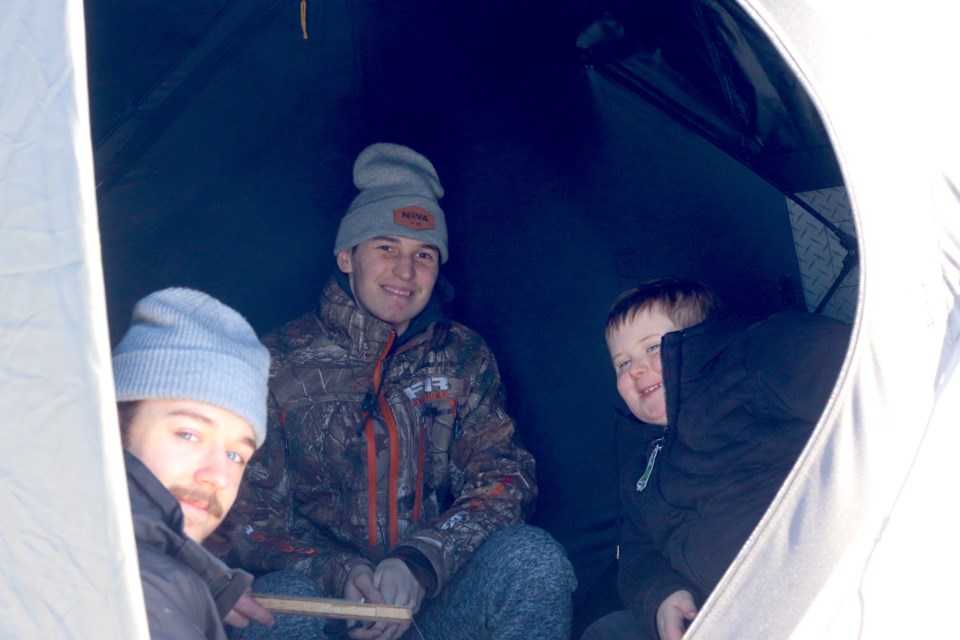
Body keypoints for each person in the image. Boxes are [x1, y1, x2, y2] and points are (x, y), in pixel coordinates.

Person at [207, 142, 576, 640]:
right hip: (327, 608)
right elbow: (247, 519)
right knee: (280, 611)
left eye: (423, 255)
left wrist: (421, 561)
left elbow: (505, 478)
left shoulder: (463, 354)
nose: (406, 272)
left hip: (434, 601)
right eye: (387, 248)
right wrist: (343, 574)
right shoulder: (275, 362)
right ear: (346, 256)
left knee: (532, 559)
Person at [581, 278, 851, 640]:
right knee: (607, 632)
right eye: (622, 362)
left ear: (700, 339)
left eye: (652, 348)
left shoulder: (750, 362)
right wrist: (663, 595)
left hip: (816, 569)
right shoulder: (638, 466)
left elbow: (851, 369)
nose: (635, 369)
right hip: (721, 611)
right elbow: (636, 554)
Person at [113, 287, 277, 639]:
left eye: (236, 455)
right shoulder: (142, 596)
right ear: (114, 426)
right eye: (188, 435)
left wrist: (201, 587)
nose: (218, 475)